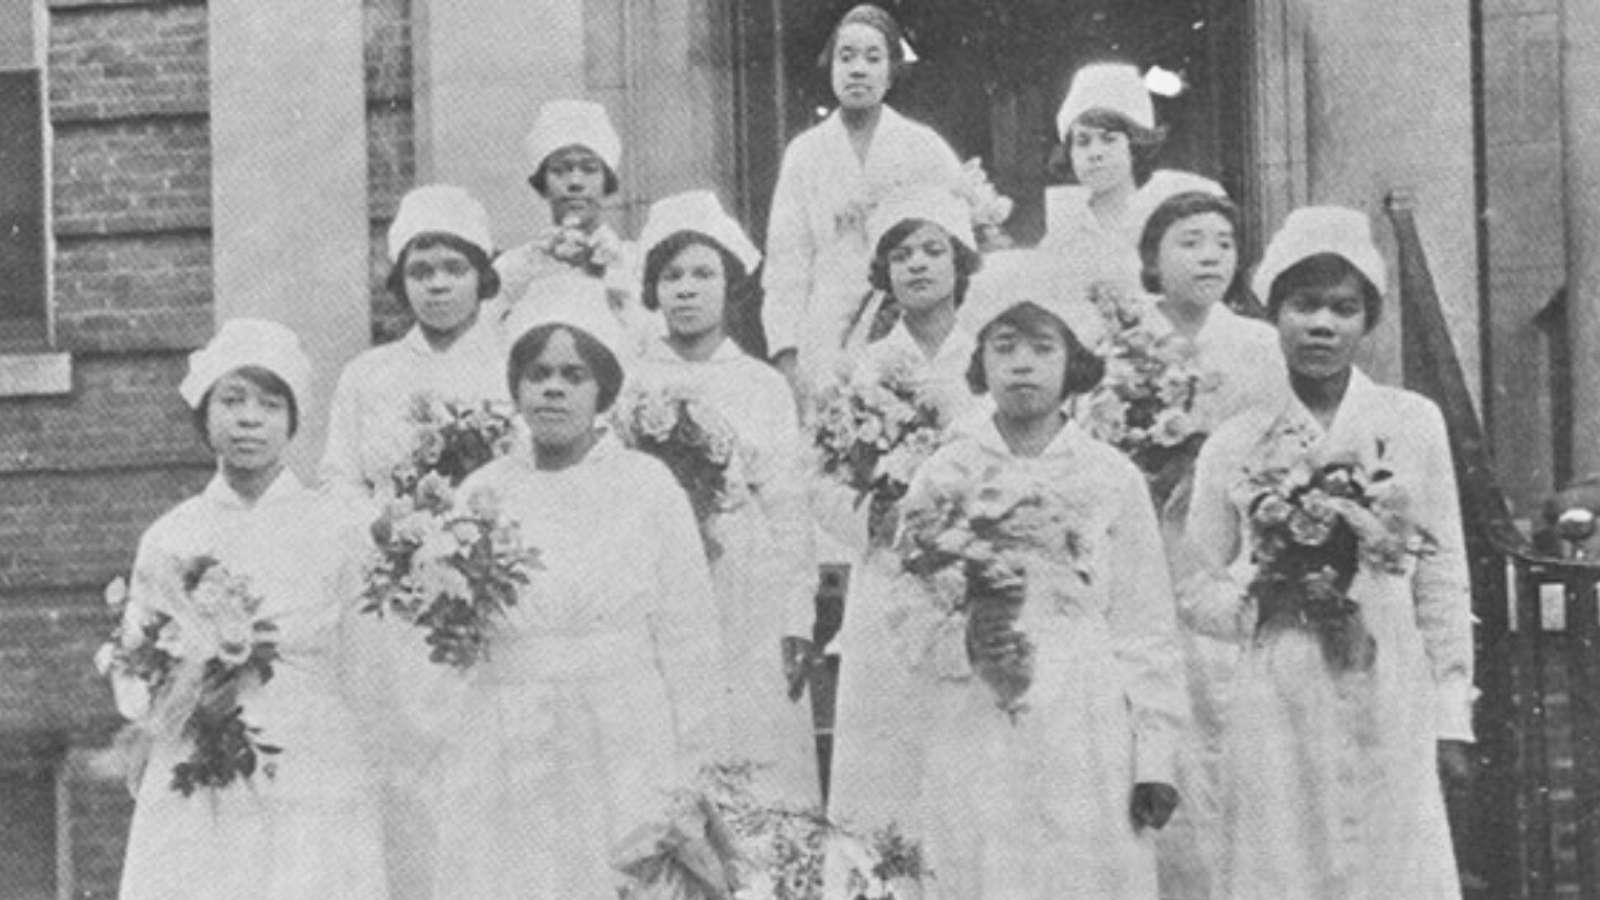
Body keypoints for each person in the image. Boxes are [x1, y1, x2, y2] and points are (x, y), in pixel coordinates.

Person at [1178, 207, 1473, 899]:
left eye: (1343, 308)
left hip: (1385, 671)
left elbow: (1443, 576)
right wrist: (1261, 591)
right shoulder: (1236, 439)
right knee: (1286, 863)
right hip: (1280, 681)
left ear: (1366, 321)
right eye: (1303, 305)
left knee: (1389, 862)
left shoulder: (1411, 423)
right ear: (1272, 312)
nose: (1322, 325)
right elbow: (1196, 589)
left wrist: (1450, 710)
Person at [886, 254, 1185, 899]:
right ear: (981, 362)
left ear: (1072, 362)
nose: (1023, 364)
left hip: (1085, 711)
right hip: (976, 705)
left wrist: (1154, 755)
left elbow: (1146, 624)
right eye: (1005, 347)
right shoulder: (944, 473)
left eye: (1043, 347)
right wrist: (965, 644)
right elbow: (906, 611)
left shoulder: (1110, 475)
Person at [426, 287, 724, 899]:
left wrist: (691, 774)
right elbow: (450, 644)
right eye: (537, 375)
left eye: (573, 374)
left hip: (621, 738)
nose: (553, 390)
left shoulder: (646, 485)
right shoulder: (482, 492)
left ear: (603, 390)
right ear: (516, 389)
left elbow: (690, 636)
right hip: (505, 735)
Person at [112, 319, 385, 900]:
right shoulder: (173, 534)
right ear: (205, 414)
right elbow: (136, 659)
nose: (248, 419)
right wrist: (183, 682)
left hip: (312, 749)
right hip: (203, 744)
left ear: (292, 421)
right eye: (231, 401)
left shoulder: (336, 529)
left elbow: (369, 661)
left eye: (269, 403)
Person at [630, 190, 821, 803]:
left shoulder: (761, 384)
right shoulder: (632, 382)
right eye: (671, 276)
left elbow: (789, 506)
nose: (686, 289)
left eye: (702, 274)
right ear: (653, 291)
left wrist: (798, 614)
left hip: (747, 585)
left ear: (730, 284)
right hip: (657, 580)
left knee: (756, 749)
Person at [823, 185, 986, 860]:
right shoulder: (861, 367)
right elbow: (820, 481)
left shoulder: (989, 356)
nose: (917, 265)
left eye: (933, 250)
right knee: (885, 749)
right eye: (900, 254)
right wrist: (873, 514)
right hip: (888, 573)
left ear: (961, 262)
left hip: (972, 574)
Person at [1132, 191, 1284, 900]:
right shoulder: (1121, 340)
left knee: (1228, 712)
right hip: (1146, 543)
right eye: (1191, 241)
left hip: (1228, 546)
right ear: (1153, 258)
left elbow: (1282, 448)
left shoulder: (1259, 344)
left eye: (1223, 242)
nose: (1210, 256)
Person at [762, 3, 963, 397]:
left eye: (873, 58)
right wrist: (788, 354)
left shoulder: (923, 146)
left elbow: (962, 243)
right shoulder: (805, 153)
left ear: (891, 71)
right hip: (825, 332)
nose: (858, 69)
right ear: (831, 66)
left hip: (908, 325)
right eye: (846, 56)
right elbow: (787, 260)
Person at [321, 184, 508, 498]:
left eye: (454, 269)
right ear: (401, 284)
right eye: (420, 272)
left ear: (481, 277)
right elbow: (340, 481)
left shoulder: (513, 366)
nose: (438, 285)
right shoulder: (366, 375)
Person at [1040, 61, 1225, 292]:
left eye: (1109, 139)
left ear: (1135, 146)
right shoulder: (1064, 232)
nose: (1095, 153)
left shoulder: (1166, 212)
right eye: (1082, 142)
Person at [492, 99, 647, 344]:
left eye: (589, 169)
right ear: (542, 185)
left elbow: (651, 338)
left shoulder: (635, 263)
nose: (575, 181)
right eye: (560, 170)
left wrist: (611, 277)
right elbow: (491, 340)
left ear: (607, 182)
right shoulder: (514, 268)